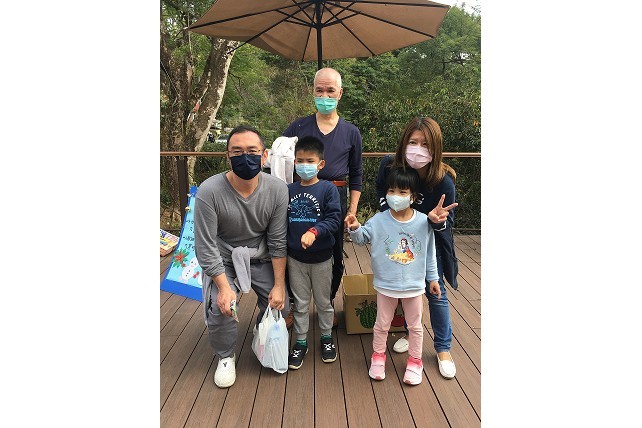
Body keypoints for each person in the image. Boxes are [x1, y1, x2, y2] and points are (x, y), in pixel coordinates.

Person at [194, 125, 289, 389]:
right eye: (237, 152)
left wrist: (279, 284)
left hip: (260, 256)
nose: (245, 157)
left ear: (265, 155)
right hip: (224, 258)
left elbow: (278, 240)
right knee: (222, 307)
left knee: (281, 304)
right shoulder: (209, 191)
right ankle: (226, 356)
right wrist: (224, 288)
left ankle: (260, 328)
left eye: (252, 151)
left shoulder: (277, 189)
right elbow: (205, 245)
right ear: (227, 156)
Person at [375, 116, 459, 379]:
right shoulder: (390, 166)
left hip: (430, 244)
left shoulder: (443, 182)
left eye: (425, 144)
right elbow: (380, 194)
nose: (418, 149)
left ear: (435, 149)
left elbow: (448, 223)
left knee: (436, 292)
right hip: (399, 240)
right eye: (413, 142)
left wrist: (436, 221)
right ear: (404, 143)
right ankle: (410, 333)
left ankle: (443, 348)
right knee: (401, 288)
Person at [283, 67, 363, 325]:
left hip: (335, 197)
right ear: (313, 91)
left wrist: (352, 210)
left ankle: (326, 305)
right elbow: (280, 159)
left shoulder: (351, 132)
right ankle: (295, 306)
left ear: (340, 93)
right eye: (320, 90)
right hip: (301, 195)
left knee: (334, 253)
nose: (325, 95)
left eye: (330, 90)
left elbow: (357, 174)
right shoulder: (298, 126)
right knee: (295, 250)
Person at [345, 167, 439, 385]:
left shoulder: (423, 221)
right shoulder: (378, 220)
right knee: (381, 324)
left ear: (413, 197)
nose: (395, 196)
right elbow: (361, 239)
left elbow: (429, 252)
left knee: (415, 327)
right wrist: (355, 228)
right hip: (386, 284)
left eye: (402, 192)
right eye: (391, 191)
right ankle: (378, 357)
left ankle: (415, 361)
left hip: (414, 286)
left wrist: (433, 278)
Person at [285, 136, 342, 369]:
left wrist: (314, 231)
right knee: (299, 304)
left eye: (310, 161)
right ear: (294, 162)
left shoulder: (328, 189)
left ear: (320, 164)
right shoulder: (288, 190)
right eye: (300, 160)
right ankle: (300, 342)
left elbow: (335, 219)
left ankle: (326, 338)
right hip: (295, 259)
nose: (304, 165)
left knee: (323, 302)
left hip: (322, 258)